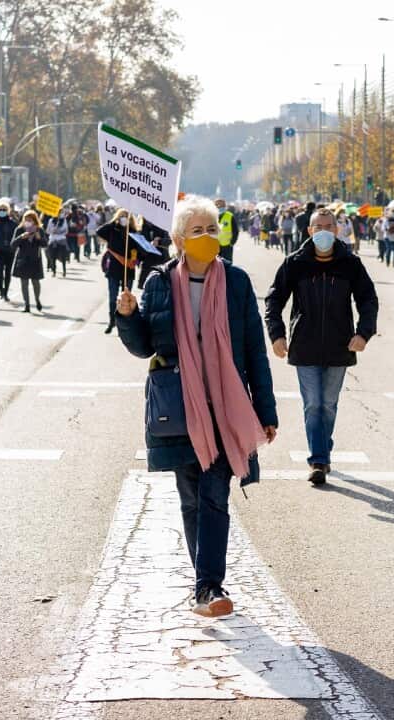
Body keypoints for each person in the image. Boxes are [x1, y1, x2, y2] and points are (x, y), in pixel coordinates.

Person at [115, 195, 277, 618]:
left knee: (214, 495)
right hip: (180, 404)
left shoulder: (237, 282)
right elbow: (144, 347)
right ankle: (205, 583)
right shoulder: (158, 282)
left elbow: (255, 351)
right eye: (197, 231)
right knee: (191, 498)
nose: (207, 237)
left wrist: (266, 410)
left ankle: (208, 585)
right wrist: (129, 318)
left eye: (212, 229)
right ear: (178, 239)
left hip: (225, 404)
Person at [264, 206, 378, 487]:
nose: (323, 231)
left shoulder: (350, 263)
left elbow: (368, 300)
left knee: (328, 405)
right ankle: (319, 460)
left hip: (341, 346)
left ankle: (322, 446)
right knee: (313, 403)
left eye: (329, 226)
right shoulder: (296, 262)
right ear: (309, 231)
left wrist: (363, 334)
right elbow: (274, 300)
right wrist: (277, 335)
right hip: (305, 346)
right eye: (318, 227)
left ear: (337, 230)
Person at [97, 208, 141, 334]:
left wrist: (135, 261)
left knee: (126, 298)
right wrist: (114, 222)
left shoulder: (134, 233)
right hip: (114, 269)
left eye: (126, 216)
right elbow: (99, 231)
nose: (123, 218)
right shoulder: (112, 230)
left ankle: (125, 324)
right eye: (121, 216)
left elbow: (141, 252)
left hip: (128, 270)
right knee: (112, 297)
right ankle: (112, 321)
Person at [12, 210, 47, 313]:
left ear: (34, 221)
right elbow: (13, 244)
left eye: (30, 220)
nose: (27, 222)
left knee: (35, 282)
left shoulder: (39, 230)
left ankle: (37, 300)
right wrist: (21, 237)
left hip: (35, 259)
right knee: (24, 283)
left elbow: (45, 244)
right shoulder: (19, 229)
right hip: (23, 259)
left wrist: (39, 238)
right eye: (26, 220)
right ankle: (27, 305)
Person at [46, 210, 71, 277]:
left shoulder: (64, 221)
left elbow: (66, 231)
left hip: (61, 239)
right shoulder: (51, 221)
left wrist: (60, 232)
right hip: (53, 240)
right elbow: (47, 231)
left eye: (60, 213)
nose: (59, 214)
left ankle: (64, 270)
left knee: (63, 256)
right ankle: (54, 271)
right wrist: (52, 231)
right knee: (52, 256)